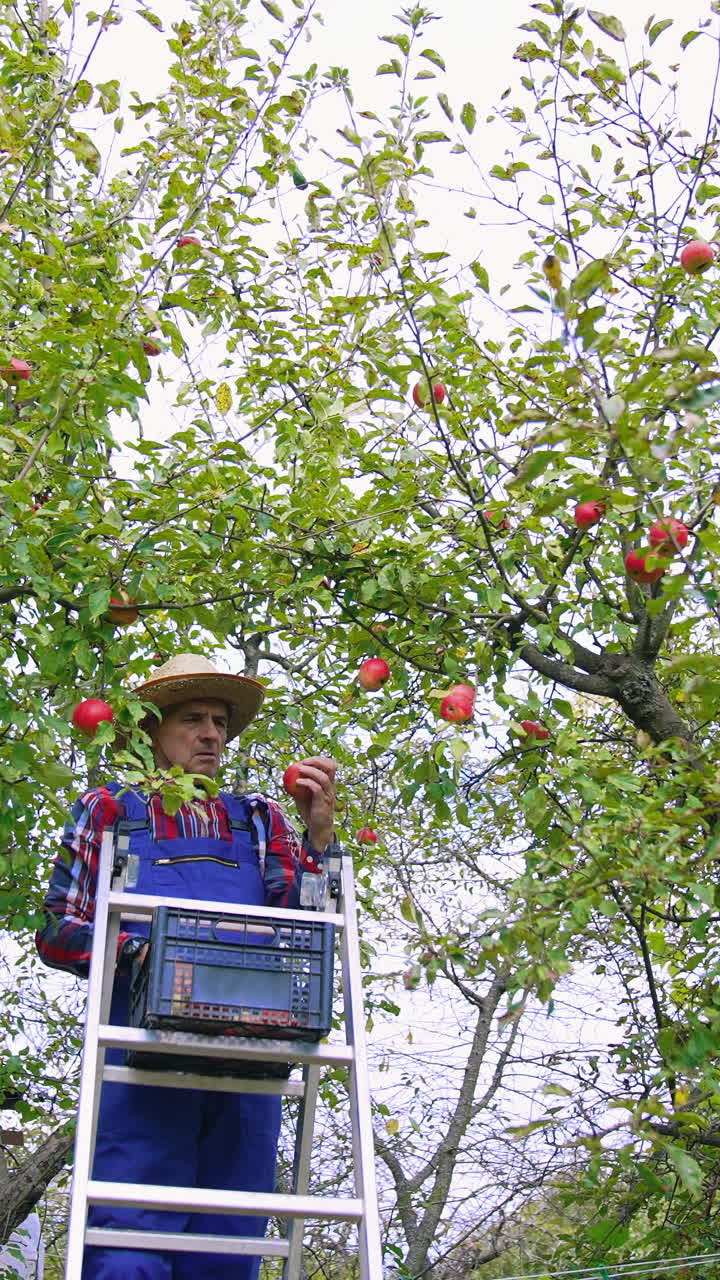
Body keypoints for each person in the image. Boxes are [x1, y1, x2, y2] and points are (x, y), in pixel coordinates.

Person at [36, 654, 337, 1280]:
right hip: (142, 1056)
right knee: (128, 1238)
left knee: (229, 1241)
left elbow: (308, 922)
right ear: (151, 729)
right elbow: (60, 930)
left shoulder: (256, 819)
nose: (211, 735)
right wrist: (144, 956)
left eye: (221, 722)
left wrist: (318, 835)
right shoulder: (110, 811)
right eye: (193, 718)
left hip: (249, 1055)